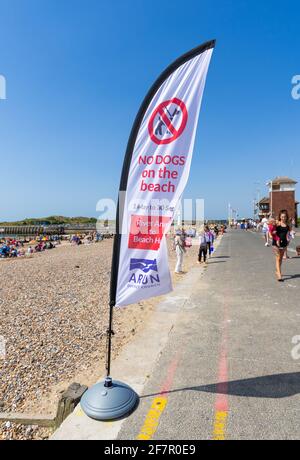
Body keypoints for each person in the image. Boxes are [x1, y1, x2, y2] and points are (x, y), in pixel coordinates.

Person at [272, 210, 291, 282]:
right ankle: (279, 274)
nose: (283, 218)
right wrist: (272, 233)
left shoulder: (288, 225)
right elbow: (271, 229)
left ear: (286, 217)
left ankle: (277, 270)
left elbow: (289, 234)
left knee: (280, 259)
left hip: (284, 243)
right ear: (280, 217)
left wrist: (289, 241)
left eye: (285, 217)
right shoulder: (277, 223)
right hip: (276, 243)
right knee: (277, 258)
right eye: (282, 217)